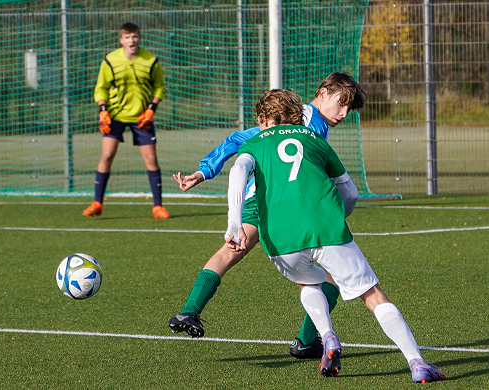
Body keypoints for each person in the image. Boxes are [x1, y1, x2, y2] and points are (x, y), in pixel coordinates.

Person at [224, 88, 446, 383]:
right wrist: (338, 216)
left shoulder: (253, 144)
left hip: (279, 237)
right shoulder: (316, 139)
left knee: (309, 282)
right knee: (373, 295)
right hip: (327, 228)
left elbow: (238, 172)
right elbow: (351, 193)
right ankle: (417, 363)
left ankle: (328, 336)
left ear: (265, 119)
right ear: (297, 116)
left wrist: (233, 223)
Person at [168, 72, 364, 359]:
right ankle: (308, 341)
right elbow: (243, 139)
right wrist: (205, 170)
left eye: (350, 109)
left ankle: (189, 311)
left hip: (259, 200)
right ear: (322, 93)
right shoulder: (303, 119)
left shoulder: (315, 122)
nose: (344, 113)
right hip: (281, 204)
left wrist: (203, 172)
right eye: (341, 104)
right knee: (327, 276)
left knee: (232, 251)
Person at [83, 22, 170, 219]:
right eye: (128, 37)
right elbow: (100, 88)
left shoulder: (151, 60)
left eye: (135, 36)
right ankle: (97, 203)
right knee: (106, 156)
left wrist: (151, 110)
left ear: (140, 38)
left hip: (142, 118)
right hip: (114, 117)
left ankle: (158, 207)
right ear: (121, 40)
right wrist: (102, 111)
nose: (132, 40)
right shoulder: (110, 60)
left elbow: (159, 87)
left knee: (151, 159)